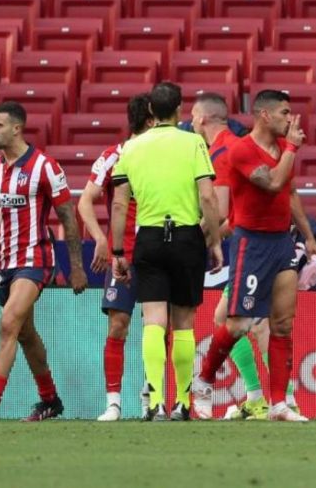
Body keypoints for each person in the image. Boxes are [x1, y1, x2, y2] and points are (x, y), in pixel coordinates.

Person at [0, 101, 87, 422]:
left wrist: (76, 268)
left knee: (9, 322)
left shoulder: (45, 167)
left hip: (36, 259)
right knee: (25, 334)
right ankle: (50, 399)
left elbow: (68, 219)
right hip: (6, 263)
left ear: (17, 128)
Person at [191, 90, 316, 423]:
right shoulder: (242, 149)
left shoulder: (281, 149)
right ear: (264, 115)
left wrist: (308, 236)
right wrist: (292, 148)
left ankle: (279, 403)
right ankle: (203, 382)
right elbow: (274, 182)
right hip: (252, 244)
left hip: (282, 242)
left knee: (282, 324)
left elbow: (289, 194)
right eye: (284, 113)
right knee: (236, 324)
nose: (290, 119)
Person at [110, 82, 223, 421]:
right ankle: (183, 403)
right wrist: (214, 239)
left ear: (149, 112)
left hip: (149, 238)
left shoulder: (131, 147)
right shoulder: (193, 142)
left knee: (153, 320)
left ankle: (155, 400)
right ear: (178, 110)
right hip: (187, 236)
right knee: (185, 322)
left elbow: (118, 204)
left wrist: (118, 250)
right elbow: (207, 197)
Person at [77, 93, 154, 421]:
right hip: (123, 256)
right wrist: (99, 239)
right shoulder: (114, 156)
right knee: (118, 325)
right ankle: (113, 402)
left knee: (156, 328)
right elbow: (85, 201)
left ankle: (154, 396)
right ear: (151, 121)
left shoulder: (163, 157)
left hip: (155, 253)